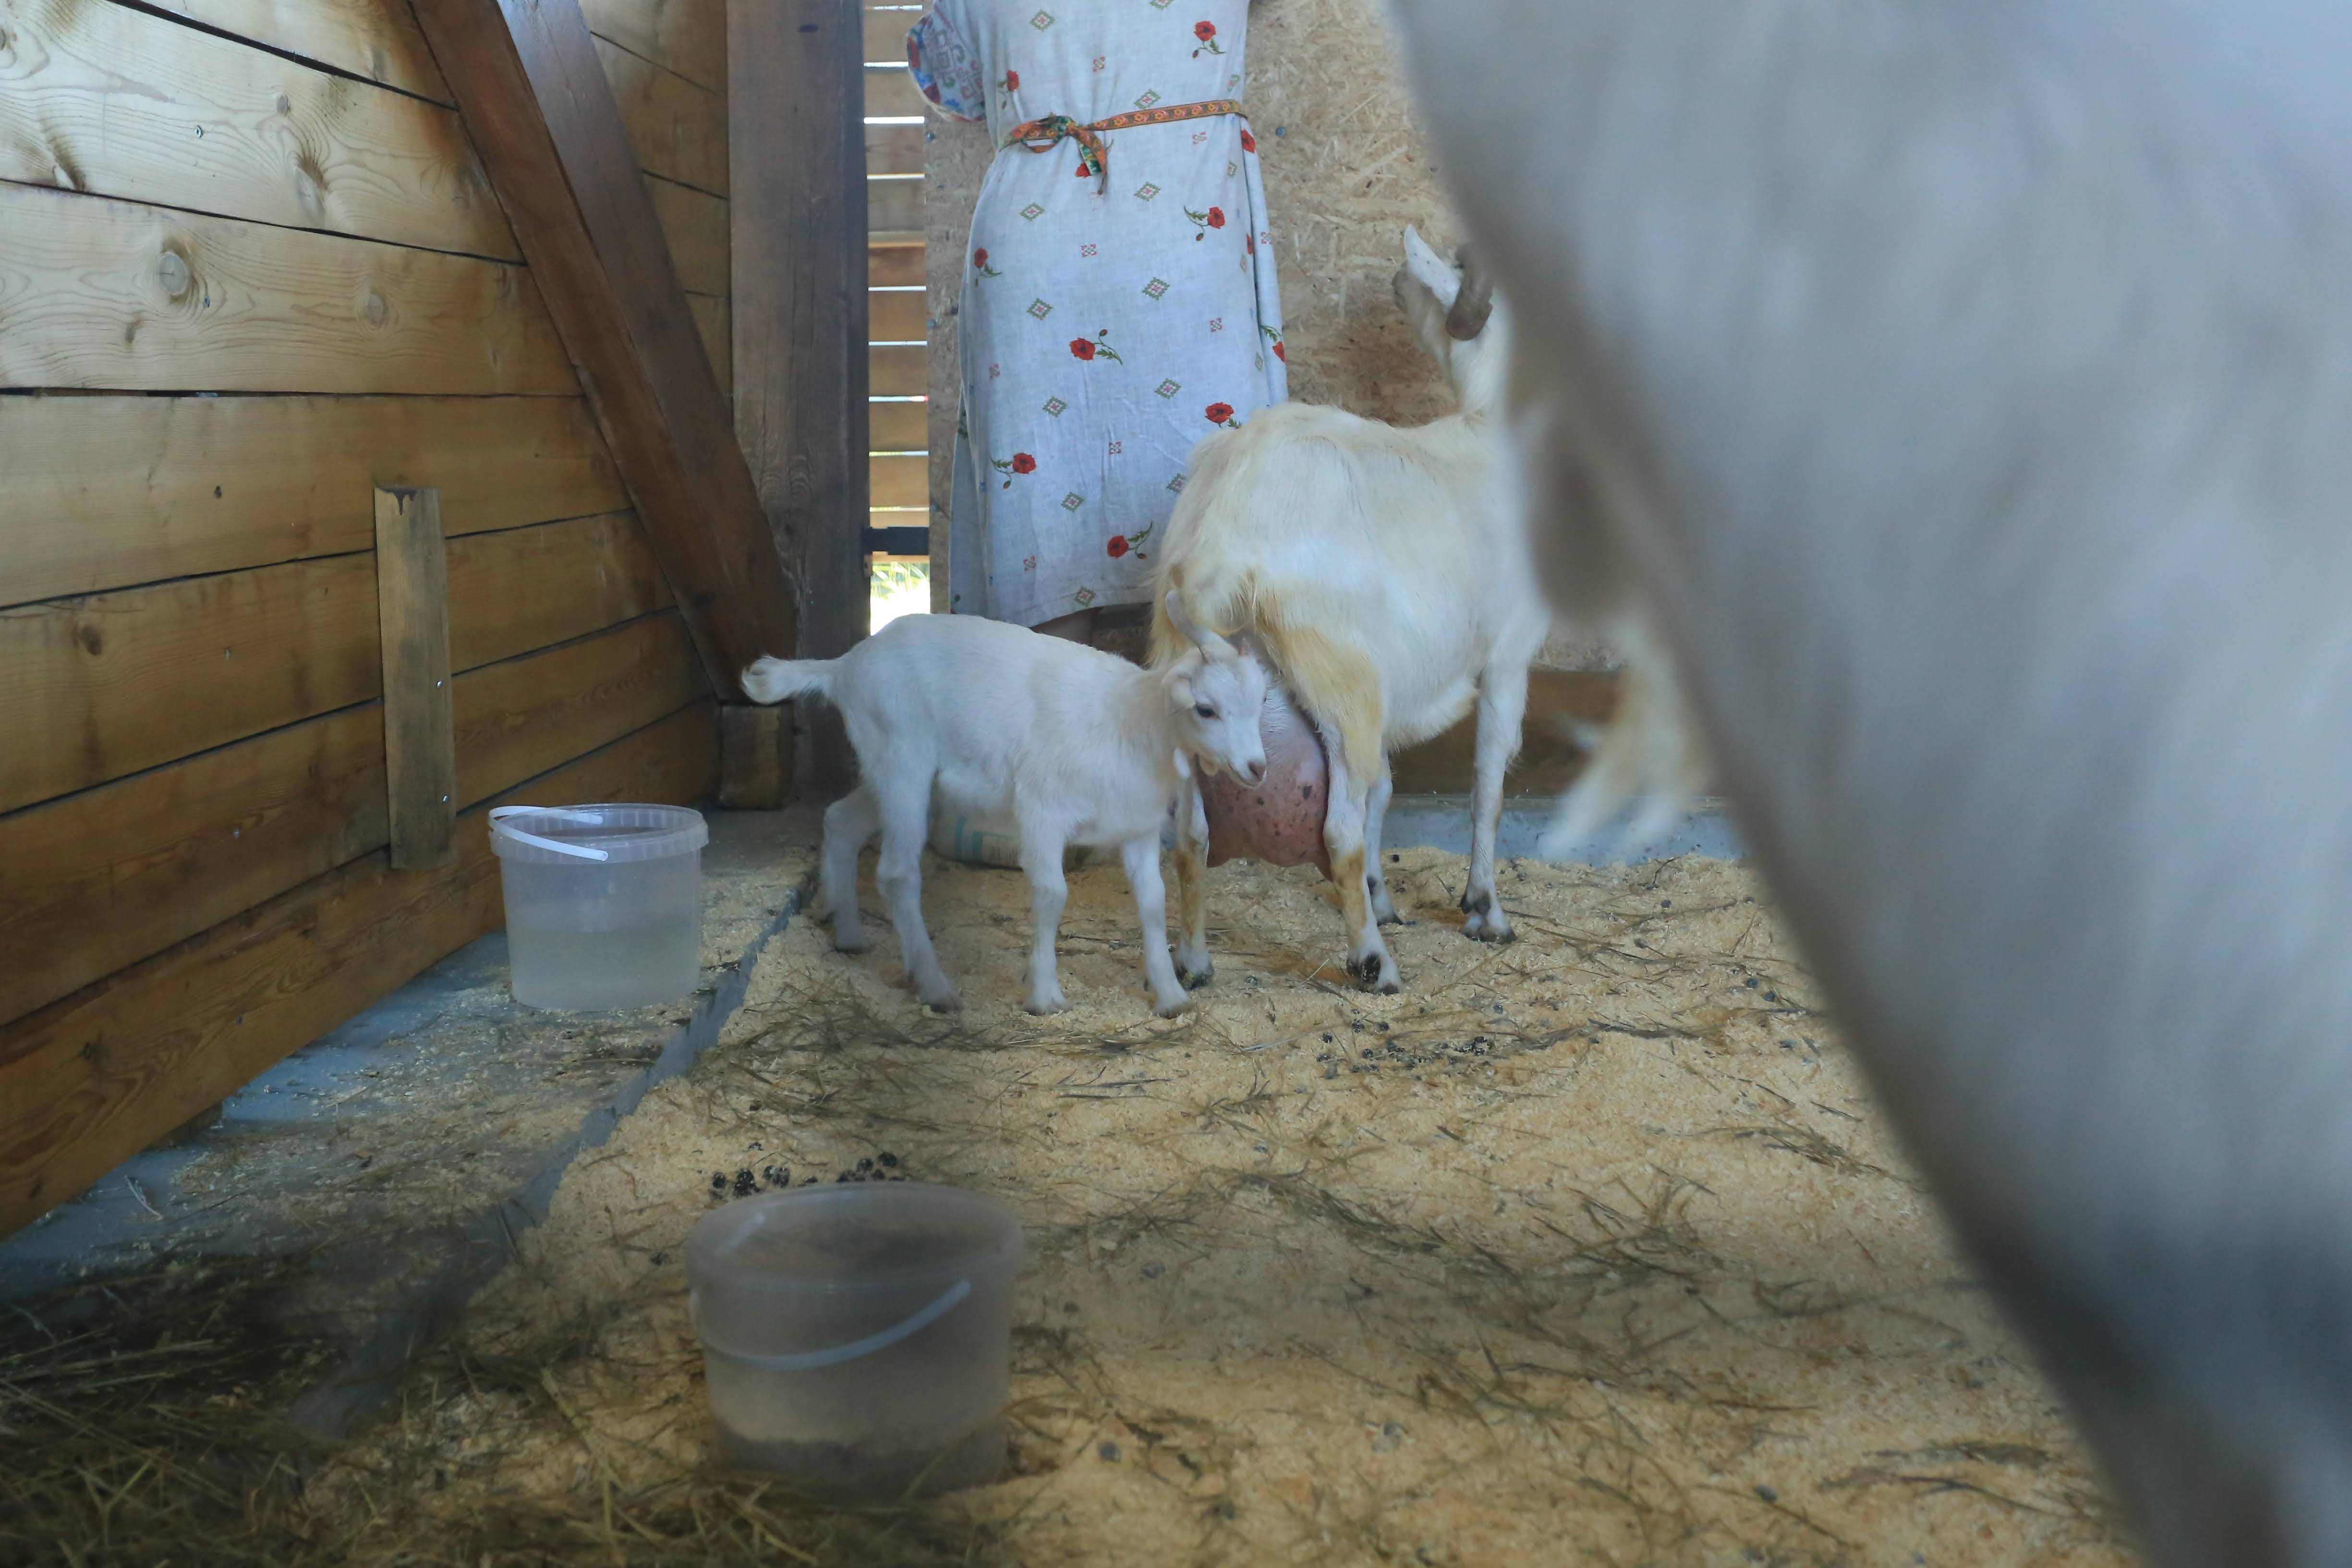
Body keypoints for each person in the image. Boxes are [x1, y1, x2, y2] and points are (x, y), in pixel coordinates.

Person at [909, 0, 1286, 644]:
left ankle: (1048, 702)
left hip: (1034, 244)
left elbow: (950, 84)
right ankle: (1220, 706)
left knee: (1043, 517)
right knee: (1218, 530)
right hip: (1185, 234)